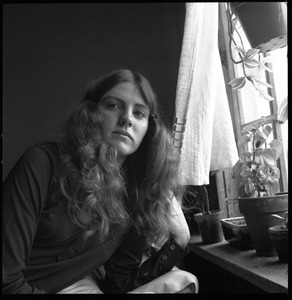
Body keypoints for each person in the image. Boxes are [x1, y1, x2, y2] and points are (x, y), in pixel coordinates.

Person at [2, 69, 198, 294]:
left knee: (183, 281)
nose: (126, 119)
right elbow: (6, 280)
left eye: (139, 113)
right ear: (91, 112)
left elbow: (121, 285)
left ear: (148, 129)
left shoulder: (134, 194)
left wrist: (179, 240)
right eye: (114, 105)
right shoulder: (41, 164)